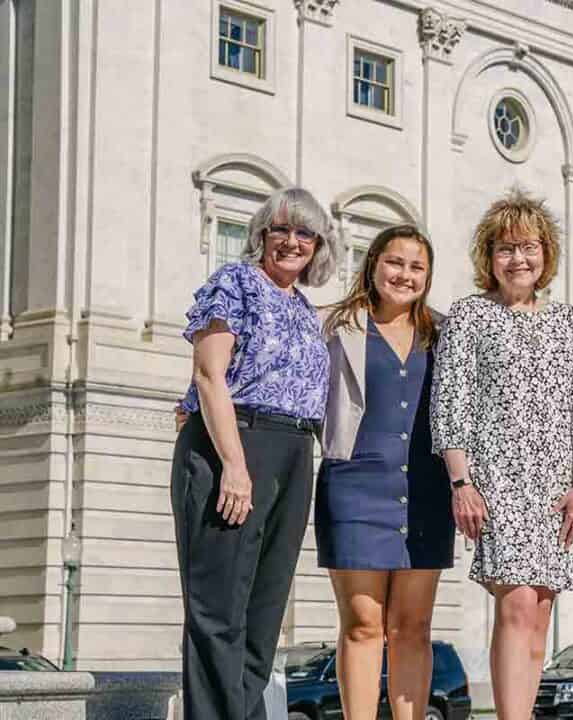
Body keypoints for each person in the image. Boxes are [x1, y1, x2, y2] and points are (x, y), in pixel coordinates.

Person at [171, 187, 339, 720]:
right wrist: (234, 468)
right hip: (236, 446)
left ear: (318, 246)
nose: (292, 241)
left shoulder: (305, 309)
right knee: (218, 611)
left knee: (263, 613)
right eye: (281, 229)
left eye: (305, 233)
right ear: (261, 235)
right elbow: (208, 374)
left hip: (294, 450)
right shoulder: (235, 283)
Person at [430, 189, 573, 720]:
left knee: (541, 610)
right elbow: (449, 403)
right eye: (505, 248)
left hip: (556, 484)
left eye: (528, 247)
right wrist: (462, 483)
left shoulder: (568, 321)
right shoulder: (469, 316)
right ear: (489, 257)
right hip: (497, 479)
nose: (518, 259)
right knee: (517, 602)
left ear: (546, 253)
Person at [315, 224, 454, 720]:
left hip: (426, 493)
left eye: (417, 267)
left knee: (413, 626)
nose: (404, 274)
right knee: (362, 623)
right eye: (395, 262)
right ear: (373, 264)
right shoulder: (334, 326)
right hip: (354, 488)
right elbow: (280, 373)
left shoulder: (445, 333)